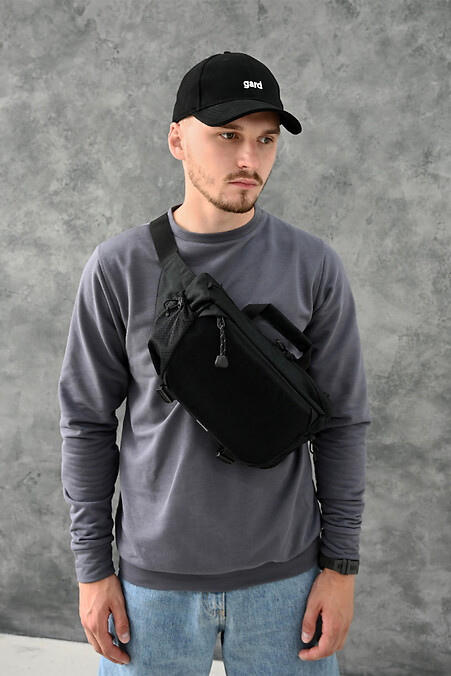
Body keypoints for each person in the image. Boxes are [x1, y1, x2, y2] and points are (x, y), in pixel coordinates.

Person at [59, 51, 370, 675]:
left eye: (266, 139)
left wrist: (340, 567)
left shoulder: (313, 265)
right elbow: (86, 422)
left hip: (288, 582)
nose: (249, 159)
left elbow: (343, 423)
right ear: (178, 139)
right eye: (227, 135)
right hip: (152, 588)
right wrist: (93, 571)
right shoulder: (118, 267)